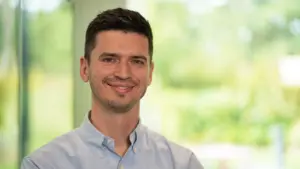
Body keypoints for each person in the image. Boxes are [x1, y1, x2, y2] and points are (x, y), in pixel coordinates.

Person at [21, 7, 204, 169]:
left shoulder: (182, 164)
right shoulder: (43, 164)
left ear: (150, 73)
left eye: (136, 61)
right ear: (85, 68)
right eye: (109, 59)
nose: (123, 73)